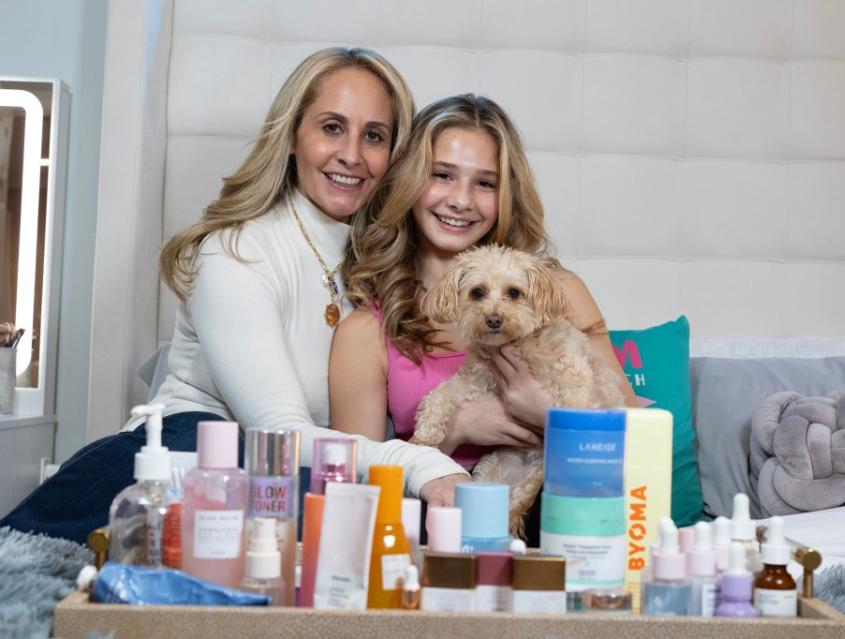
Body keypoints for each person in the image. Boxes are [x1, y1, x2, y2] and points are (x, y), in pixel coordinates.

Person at [1, 48, 467, 544]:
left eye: (373, 136)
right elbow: (280, 437)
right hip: (188, 463)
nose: (352, 154)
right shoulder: (235, 252)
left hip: (291, 472)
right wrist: (420, 462)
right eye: (332, 127)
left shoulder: (375, 263)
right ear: (292, 135)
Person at [329, 95, 638, 513]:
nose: (461, 200)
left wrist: (546, 413)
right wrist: (455, 430)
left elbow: (635, 444)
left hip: (566, 520)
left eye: (485, 183)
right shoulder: (367, 331)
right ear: (408, 181)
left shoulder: (560, 294)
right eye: (442, 175)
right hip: (429, 530)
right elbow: (354, 493)